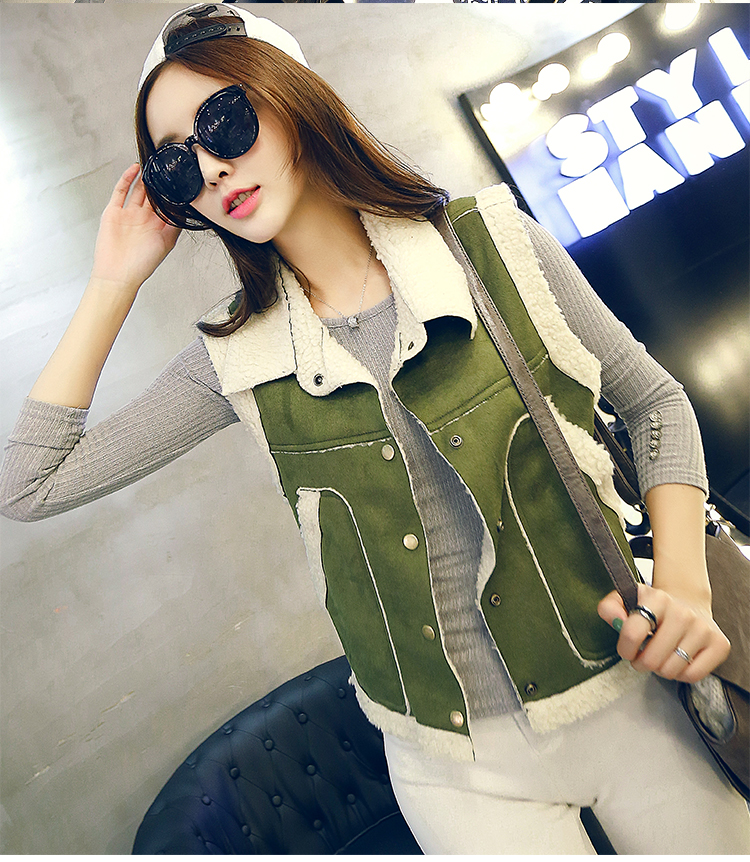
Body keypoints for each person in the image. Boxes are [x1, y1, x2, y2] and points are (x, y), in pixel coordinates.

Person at [0, 4, 747, 854]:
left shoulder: (494, 245)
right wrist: (112, 283)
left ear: (297, 100)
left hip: (629, 692)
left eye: (225, 122)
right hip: (456, 773)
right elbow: (28, 484)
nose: (209, 168)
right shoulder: (233, 357)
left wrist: (684, 584)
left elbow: (654, 404)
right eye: (175, 165)